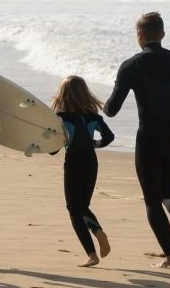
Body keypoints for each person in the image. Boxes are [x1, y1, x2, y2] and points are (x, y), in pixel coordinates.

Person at [103, 12, 170, 269]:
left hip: (149, 137)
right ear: (163, 34)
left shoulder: (132, 65)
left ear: (140, 35)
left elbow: (112, 109)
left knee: (151, 199)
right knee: (169, 191)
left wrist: (102, 106)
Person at [51, 75, 114, 267]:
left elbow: (53, 149)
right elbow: (109, 137)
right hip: (91, 161)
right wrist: (94, 143)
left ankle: (92, 253)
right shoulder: (94, 117)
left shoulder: (60, 118)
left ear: (63, 95)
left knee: (74, 210)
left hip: (73, 162)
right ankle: (98, 232)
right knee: (83, 206)